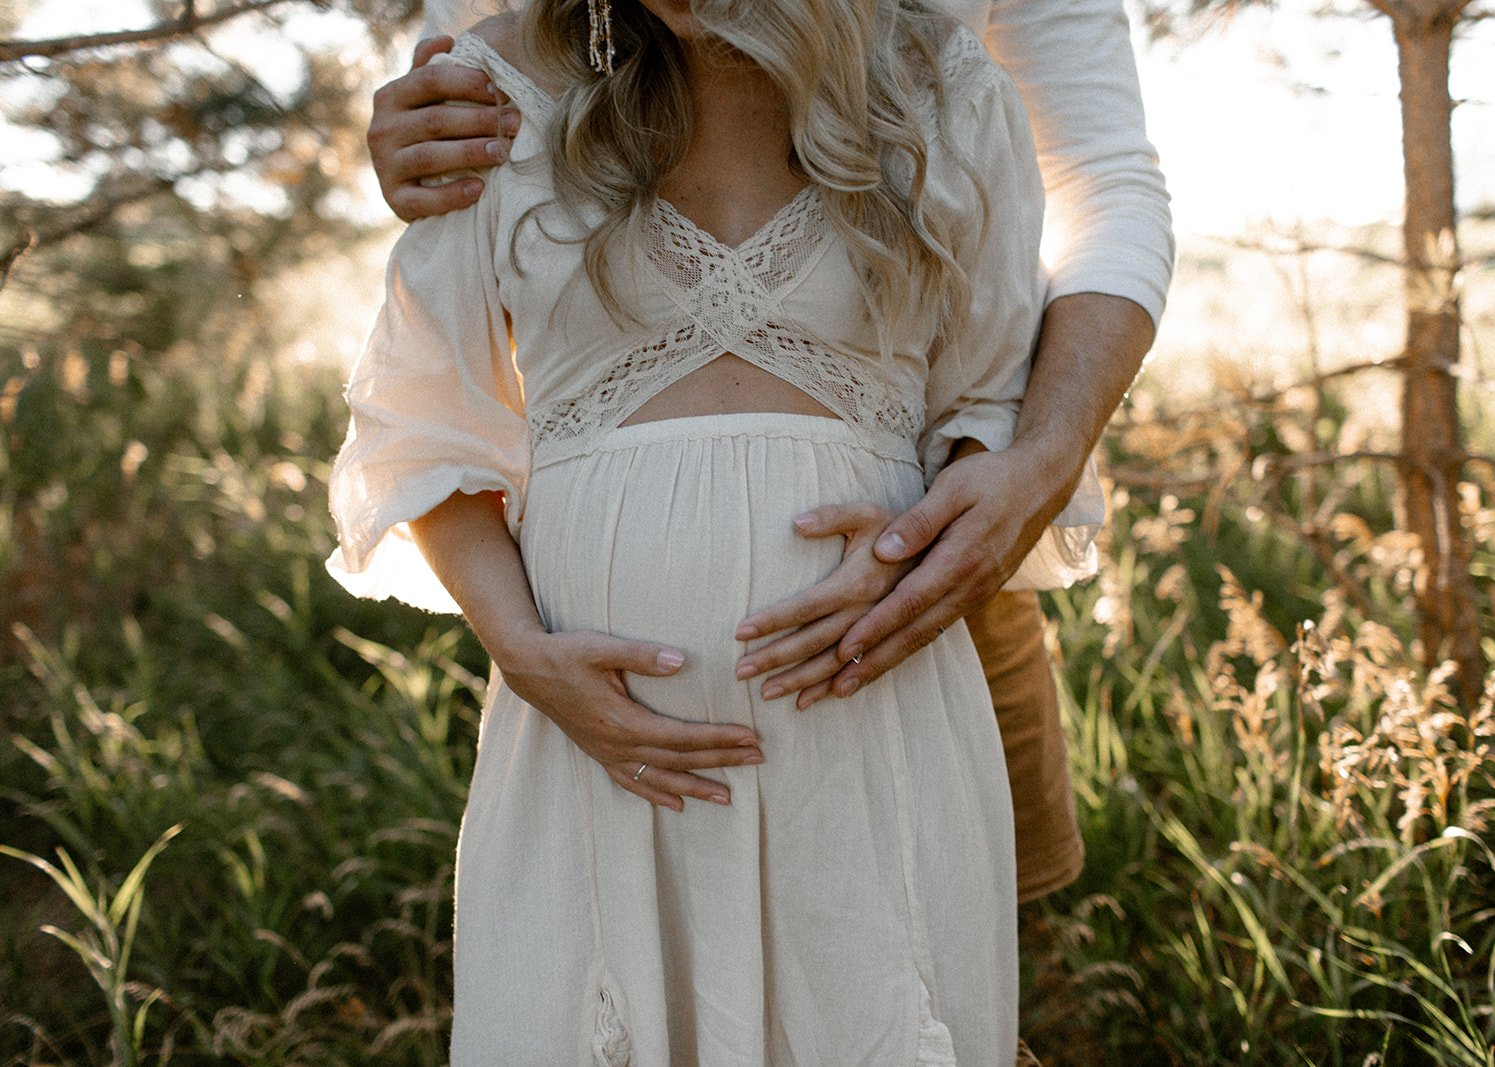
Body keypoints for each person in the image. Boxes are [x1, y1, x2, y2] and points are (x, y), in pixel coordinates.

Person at [329, 0, 1101, 1059]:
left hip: (870, 730)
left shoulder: (941, 82)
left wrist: (932, 527)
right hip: (590, 754)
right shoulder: (492, 87)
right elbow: (427, 420)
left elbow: (994, 399)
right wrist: (522, 649)